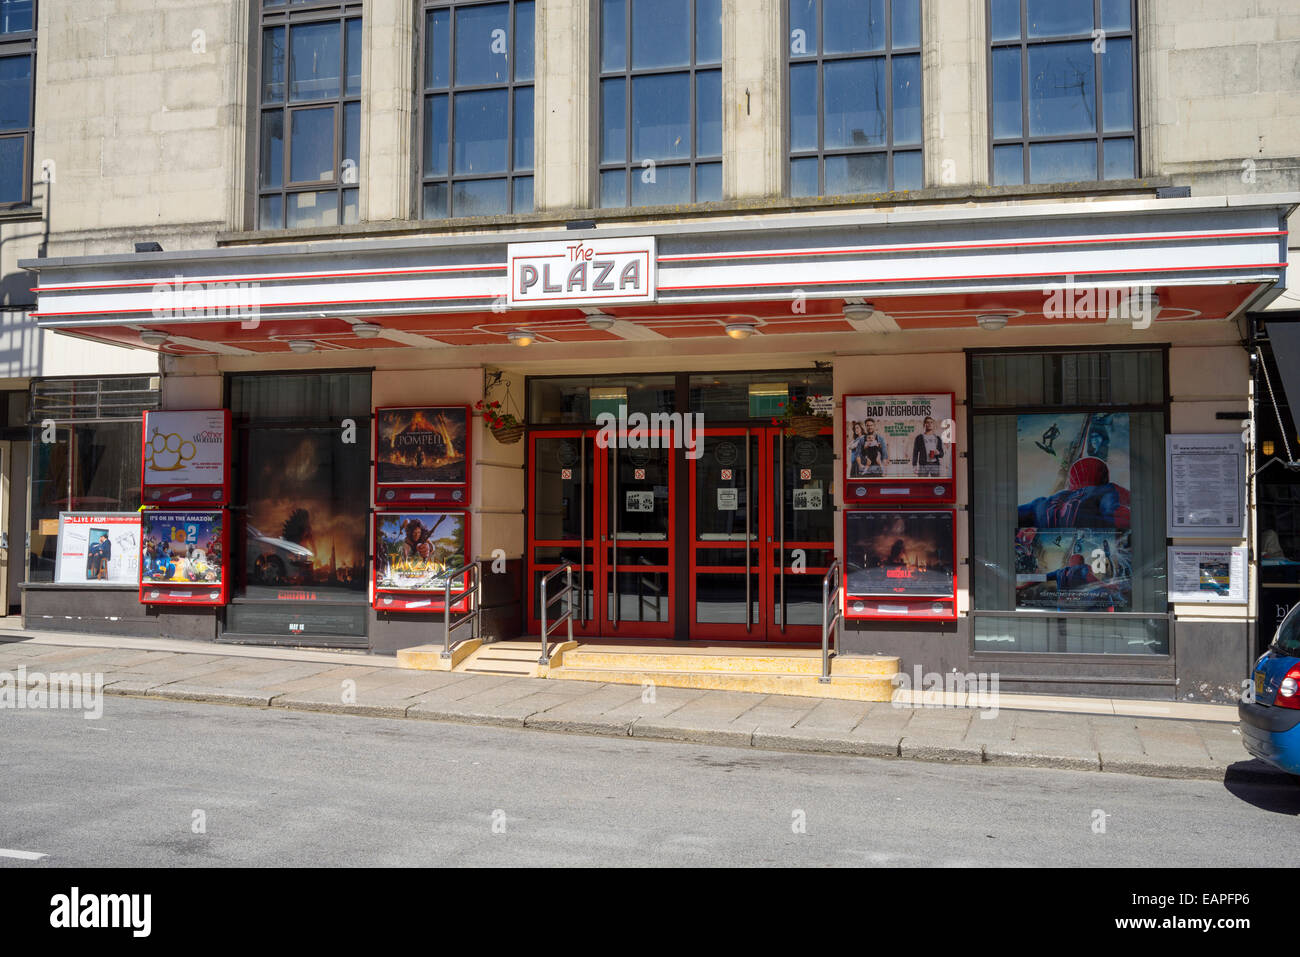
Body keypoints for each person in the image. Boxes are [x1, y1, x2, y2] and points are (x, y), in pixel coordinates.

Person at [1017, 456, 1131, 530]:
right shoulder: (1107, 490)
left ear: (1071, 481)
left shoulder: (1042, 504)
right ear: (1105, 479)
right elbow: (1123, 517)